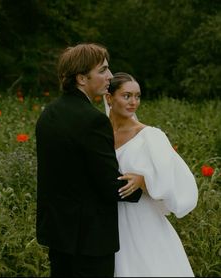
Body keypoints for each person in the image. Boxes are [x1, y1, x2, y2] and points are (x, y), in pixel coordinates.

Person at [35, 44, 144, 277]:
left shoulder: (48, 114)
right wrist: (143, 184)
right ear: (82, 78)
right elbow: (109, 186)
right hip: (90, 241)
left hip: (58, 235)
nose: (110, 76)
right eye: (103, 70)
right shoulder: (93, 121)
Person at [104, 72, 198, 277]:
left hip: (141, 219)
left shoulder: (151, 136)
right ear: (109, 98)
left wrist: (143, 181)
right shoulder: (99, 134)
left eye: (137, 96)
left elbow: (177, 180)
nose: (133, 102)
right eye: (126, 96)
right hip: (108, 219)